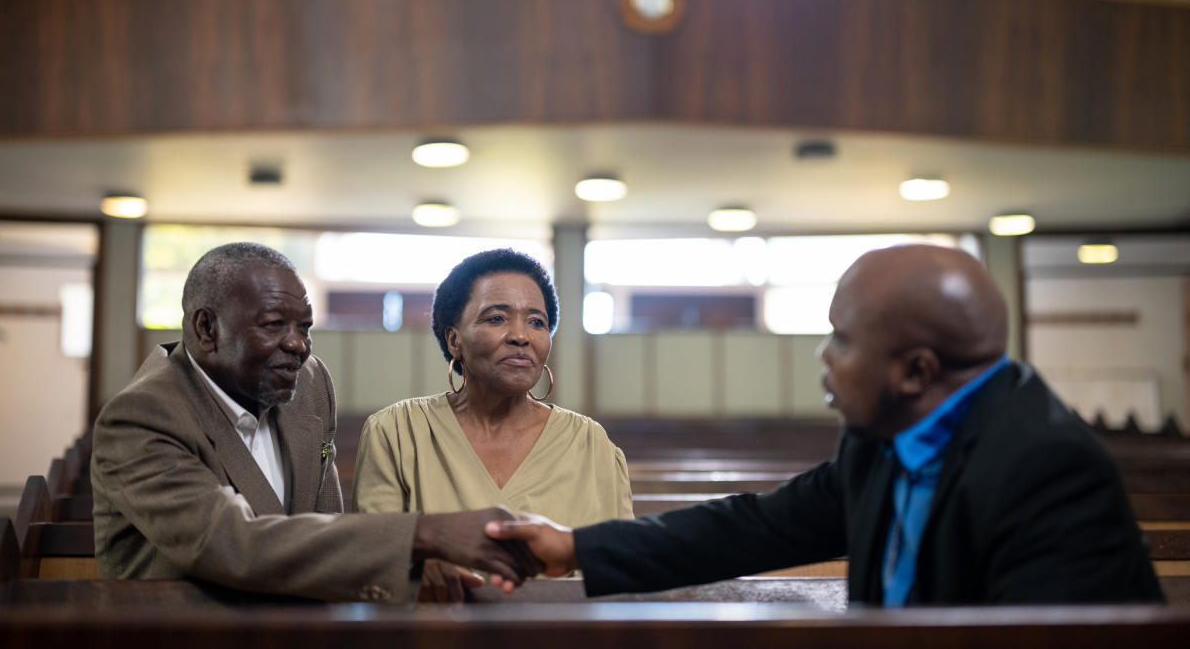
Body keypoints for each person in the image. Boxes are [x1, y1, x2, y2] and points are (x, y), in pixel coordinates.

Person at [486, 244, 1165, 605]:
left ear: (915, 371)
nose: (823, 357)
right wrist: (577, 547)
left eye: (840, 341)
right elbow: (757, 525)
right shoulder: (886, 440)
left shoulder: (1047, 471)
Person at [91, 242, 539, 602]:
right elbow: (231, 545)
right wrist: (424, 534)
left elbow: (325, 529)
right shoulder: (141, 417)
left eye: (304, 327)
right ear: (207, 329)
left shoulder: (307, 383)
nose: (298, 345)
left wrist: (409, 568)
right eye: (273, 325)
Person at [353, 248, 632, 601]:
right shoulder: (396, 431)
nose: (521, 336)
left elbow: (621, 572)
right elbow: (371, 560)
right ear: (454, 339)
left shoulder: (592, 444)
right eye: (497, 319)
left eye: (536, 322)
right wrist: (414, 563)